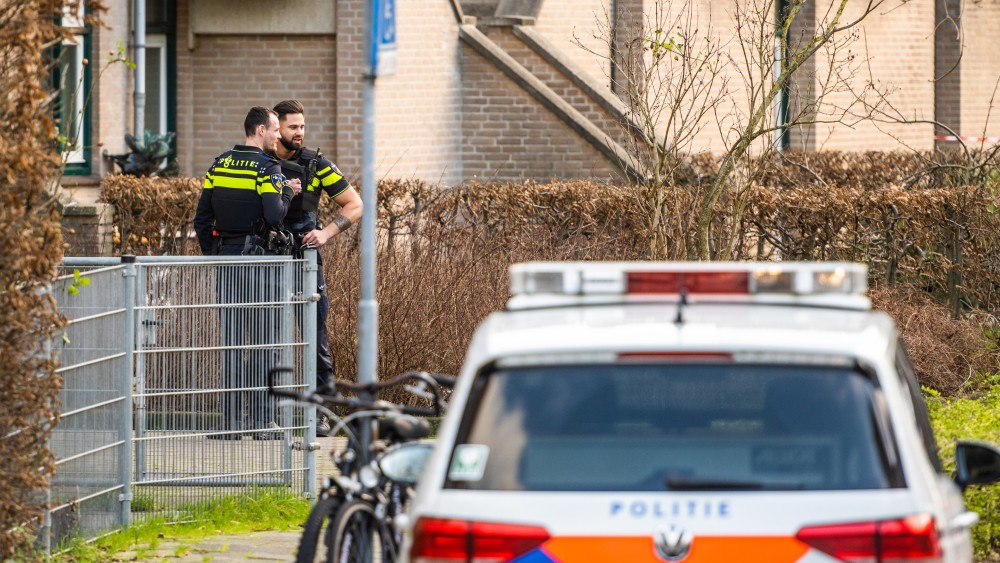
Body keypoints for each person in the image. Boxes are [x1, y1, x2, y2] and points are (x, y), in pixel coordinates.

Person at [193, 106, 302, 440]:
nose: (277, 136)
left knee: (231, 344)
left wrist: (217, 256)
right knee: (265, 343)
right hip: (260, 263)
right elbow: (274, 214)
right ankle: (261, 423)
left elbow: (201, 220)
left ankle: (228, 425)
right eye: (273, 130)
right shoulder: (267, 168)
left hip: (227, 260)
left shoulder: (219, 164)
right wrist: (288, 191)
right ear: (260, 131)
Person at [271, 99, 363, 437]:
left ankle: (322, 414)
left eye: (302, 127)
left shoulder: (316, 163)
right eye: (293, 127)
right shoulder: (261, 162)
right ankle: (261, 415)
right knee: (263, 335)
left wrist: (325, 233)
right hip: (266, 258)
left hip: (305, 261)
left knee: (315, 336)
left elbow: (355, 204)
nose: (300, 133)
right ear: (275, 127)